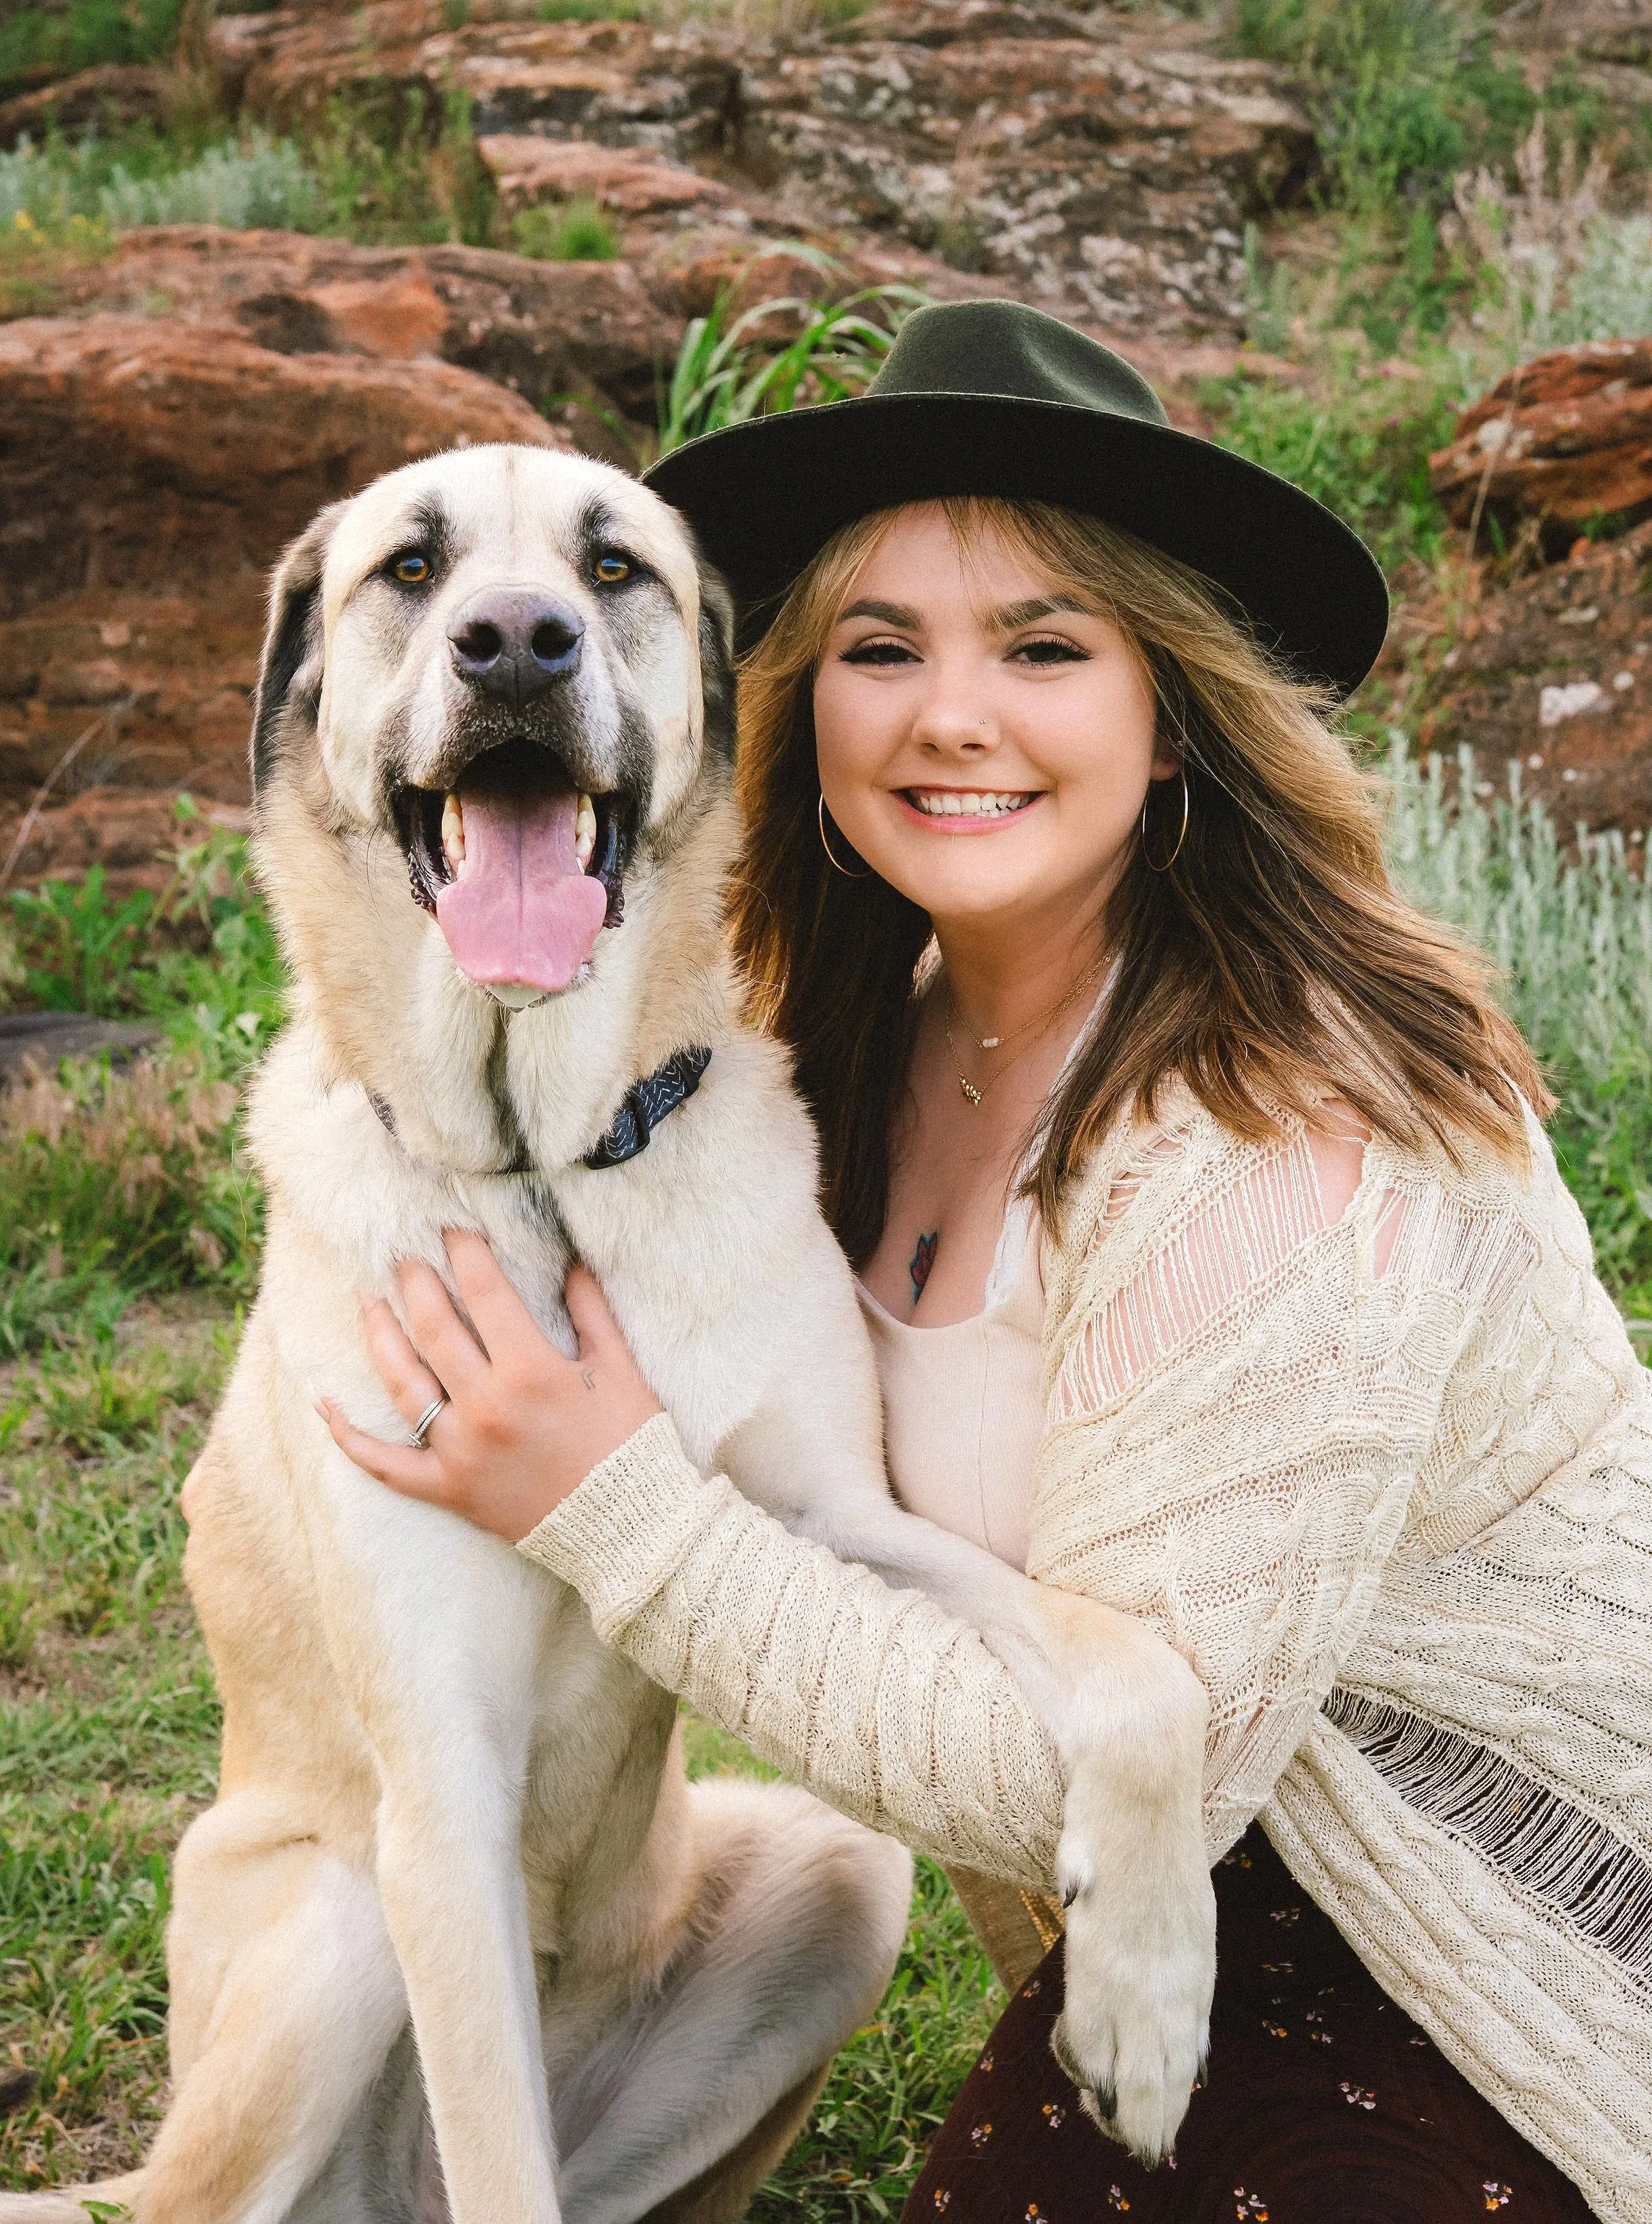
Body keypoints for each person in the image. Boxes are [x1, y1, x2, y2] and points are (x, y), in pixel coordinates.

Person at [323, 302, 1651, 2223]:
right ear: (784, 702)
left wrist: (608, 1511)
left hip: (1517, 1924)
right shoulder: (827, 1041)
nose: (953, 716)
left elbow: (1112, 1784)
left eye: (1043, 647)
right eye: (880, 650)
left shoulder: (1293, 1128)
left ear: (1168, 706)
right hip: (1179, 1929)